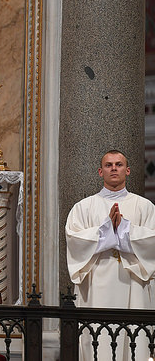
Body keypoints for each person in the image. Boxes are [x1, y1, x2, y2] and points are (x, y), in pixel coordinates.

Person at [66, 150, 155, 360]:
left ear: (128, 170)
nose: (113, 168)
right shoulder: (83, 208)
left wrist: (125, 230)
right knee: (100, 342)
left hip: (134, 284)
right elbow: (74, 240)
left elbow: (152, 241)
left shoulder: (145, 207)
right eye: (108, 165)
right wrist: (105, 230)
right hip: (97, 285)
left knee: (133, 341)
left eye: (118, 164)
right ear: (100, 171)